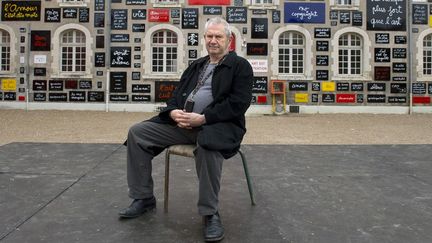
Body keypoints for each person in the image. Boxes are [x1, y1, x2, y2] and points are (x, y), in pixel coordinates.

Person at [119, 17, 253, 242]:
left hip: (218, 127)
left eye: (218, 36)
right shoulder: (197, 65)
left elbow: (238, 103)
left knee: (209, 144)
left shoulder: (239, 66)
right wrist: (172, 113)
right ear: (204, 38)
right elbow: (175, 96)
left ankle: (210, 213)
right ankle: (143, 197)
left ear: (228, 40)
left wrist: (203, 118)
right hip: (183, 125)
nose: (213, 40)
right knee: (137, 133)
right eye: (209, 36)